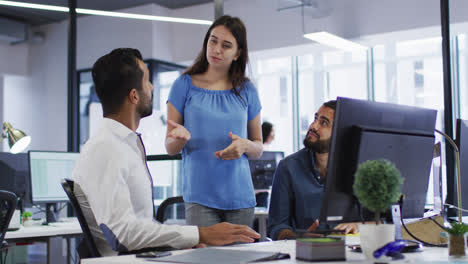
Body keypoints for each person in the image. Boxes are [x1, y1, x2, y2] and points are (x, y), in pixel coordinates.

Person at [72, 48, 259, 257]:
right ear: (134, 96)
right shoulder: (106, 149)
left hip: (142, 256)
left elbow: (138, 226)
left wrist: (182, 241)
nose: (152, 88)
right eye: (147, 82)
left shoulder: (122, 144)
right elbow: (123, 234)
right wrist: (199, 234)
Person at [165, 15, 263, 228]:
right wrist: (180, 139)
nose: (217, 49)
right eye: (213, 40)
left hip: (240, 197)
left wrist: (245, 145)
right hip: (200, 197)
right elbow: (170, 148)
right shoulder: (184, 85)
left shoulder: (247, 90)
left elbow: (258, 148)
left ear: (238, 53)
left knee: (241, 261)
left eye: (226, 45)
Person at [268, 100, 359, 240]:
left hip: (352, 252)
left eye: (323, 123)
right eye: (315, 119)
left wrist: (359, 226)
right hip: (306, 254)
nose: (313, 126)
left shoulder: (358, 168)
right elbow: (276, 227)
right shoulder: (288, 167)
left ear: (340, 133)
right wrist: (300, 236)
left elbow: (381, 221)